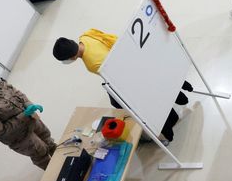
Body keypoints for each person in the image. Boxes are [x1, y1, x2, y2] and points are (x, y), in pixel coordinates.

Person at [52, 30, 192, 142]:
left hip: (131, 74)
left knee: (142, 102)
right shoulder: (86, 35)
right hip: (134, 54)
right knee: (161, 81)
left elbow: (118, 75)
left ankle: (168, 123)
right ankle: (180, 97)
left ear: (71, 57)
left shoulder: (92, 64)